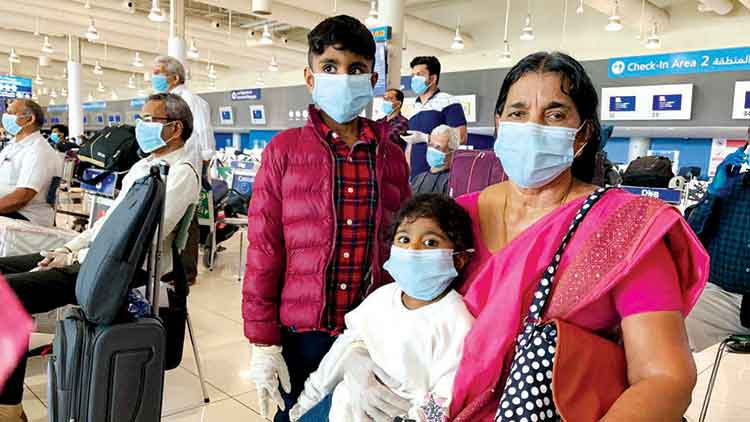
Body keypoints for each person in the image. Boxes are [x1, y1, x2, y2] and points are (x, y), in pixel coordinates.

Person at [329, 52, 709, 422]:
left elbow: (664, 378)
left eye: (555, 115)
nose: (533, 126)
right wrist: (360, 354)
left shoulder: (624, 229)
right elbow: (398, 312)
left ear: (583, 134)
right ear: (499, 124)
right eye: (518, 113)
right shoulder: (451, 220)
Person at [242, 15, 411, 422]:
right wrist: (263, 341)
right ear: (310, 77)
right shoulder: (284, 151)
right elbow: (264, 248)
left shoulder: (391, 157)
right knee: (298, 415)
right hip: (303, 335)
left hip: (368, 335)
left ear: (372, 80)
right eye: (330, 67)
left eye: (356, 69)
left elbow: (400, 245)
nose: (343, 78)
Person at [0, 93, 200, 422]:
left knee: (7, 294)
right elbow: (107, 225)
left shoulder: (181, 173)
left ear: (176, 128)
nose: (140, 126)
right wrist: (68, 248)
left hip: (123, 269)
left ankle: (8, 406)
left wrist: (75, 258)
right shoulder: (144, 167)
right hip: (98, 256)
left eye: (149, 120)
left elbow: (139, 238)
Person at [289, 194, 475, 422]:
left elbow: (444, 399)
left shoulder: (457, 323)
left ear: (459, 259)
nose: (412, 250)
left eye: (430, 243)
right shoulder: (381, 298)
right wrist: (306, 404)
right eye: (404, 239)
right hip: (333, 410)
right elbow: (339, 354)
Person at [152, 55, 213, 285]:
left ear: (175, 78)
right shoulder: (165, 102)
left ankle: (186, 274)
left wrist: (197, 173)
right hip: (169, 166)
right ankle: (169, 268)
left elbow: (206, 142)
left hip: (187, 167)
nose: (153, 77)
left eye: (158, 73)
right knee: (170, 218)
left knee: (187, 221)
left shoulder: (192, 102)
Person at [685, 147, 750, 351]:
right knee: (666, 328)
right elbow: (691, 236)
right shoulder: (732, 185)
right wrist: (714, 193)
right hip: (719, 297)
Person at [0, 99, 62, 226]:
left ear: (30, 119)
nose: (5, 117)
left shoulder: (38, 151)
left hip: (25, 216)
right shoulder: (11, 147)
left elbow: (21, 198)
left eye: (11, 113)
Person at [404, 56, 467, 180]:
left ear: (432, 78)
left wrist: (426, 138)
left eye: (419, 75)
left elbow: (461, 137)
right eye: (413, 75)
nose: (414, 79)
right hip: (416, 178)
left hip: (440, 176)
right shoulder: (415, 106)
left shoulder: (448, 101)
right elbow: (411, 145)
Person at [411, 125, 459, 195]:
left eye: (437, 147)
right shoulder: (418, 179)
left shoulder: (453, 183)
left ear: (452, 152)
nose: (432, 150)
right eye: (430, 145)